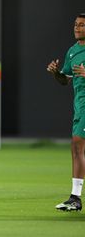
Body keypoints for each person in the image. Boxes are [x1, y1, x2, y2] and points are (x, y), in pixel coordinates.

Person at [47, 13, 85, 212]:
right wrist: (56, 73)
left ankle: (75, 198)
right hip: (80, 105)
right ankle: (75, 198)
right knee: (76, 148)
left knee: (78, 146)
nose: (77, 27)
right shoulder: (73, 51)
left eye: (82, 25)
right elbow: (65, 80)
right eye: (76, 24)